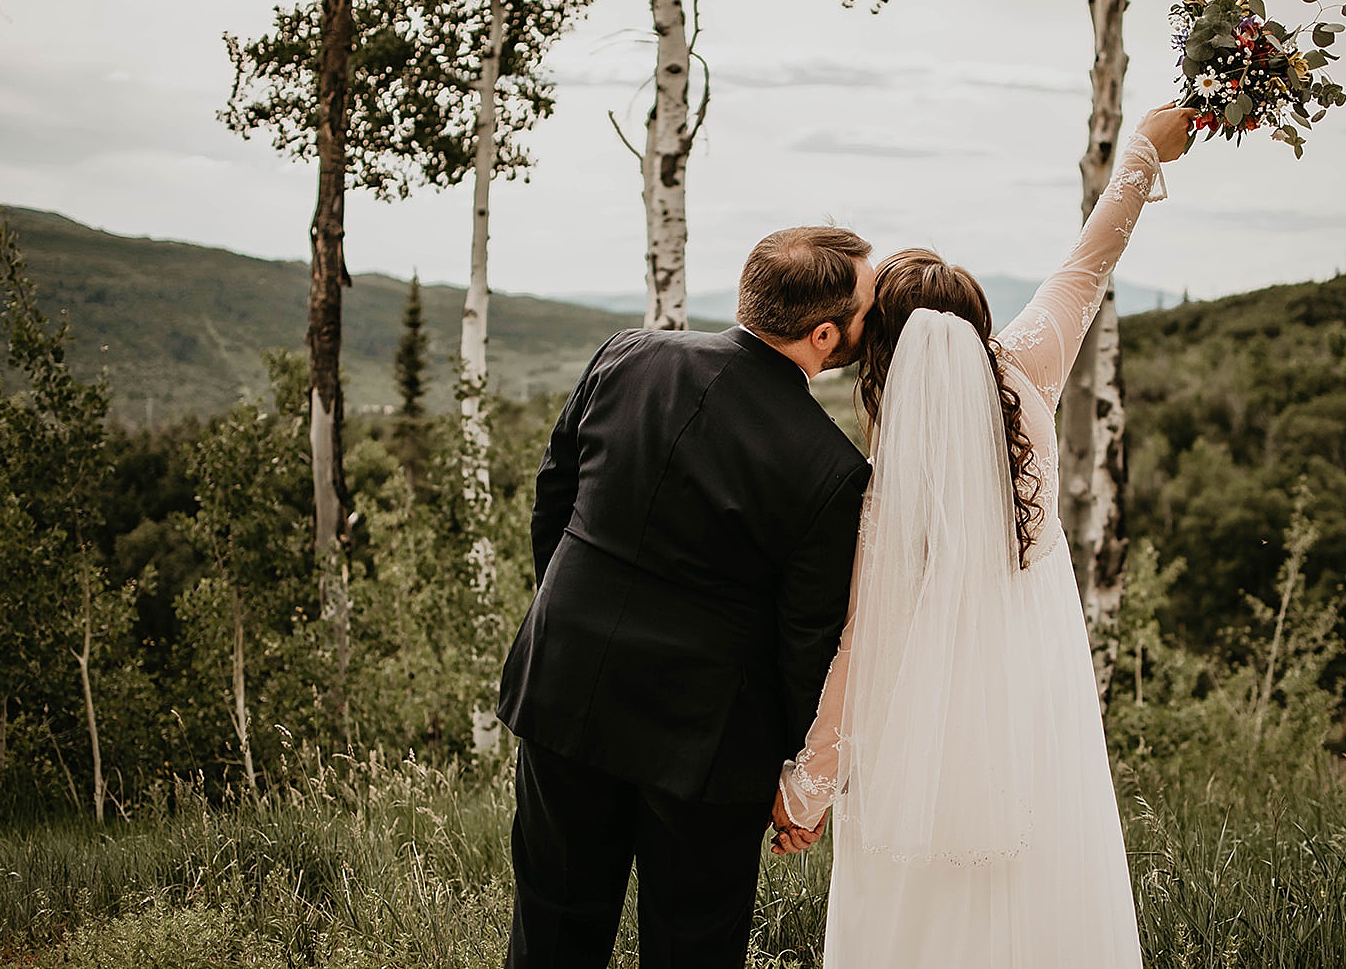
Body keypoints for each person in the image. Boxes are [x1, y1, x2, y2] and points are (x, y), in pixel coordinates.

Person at [772, 103, 1195, 968]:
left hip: (913, 756)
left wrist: (806, 790)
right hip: (1035, 725)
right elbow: (1091, 261)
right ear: (975, 323)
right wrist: (1144, 152)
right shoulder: (1029, 368)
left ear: (881, 353)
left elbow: (858, 648)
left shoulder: (884, 489)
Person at [494, 226, 877, 969]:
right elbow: (807, 642)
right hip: (708, 744)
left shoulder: (625, 354)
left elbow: (554, 500)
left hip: (567, 683)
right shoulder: (832, 468)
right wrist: (799, 768)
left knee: (550, 931)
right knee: (692, 947)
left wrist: (571, 617)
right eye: (866, 309)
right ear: (826, 334)